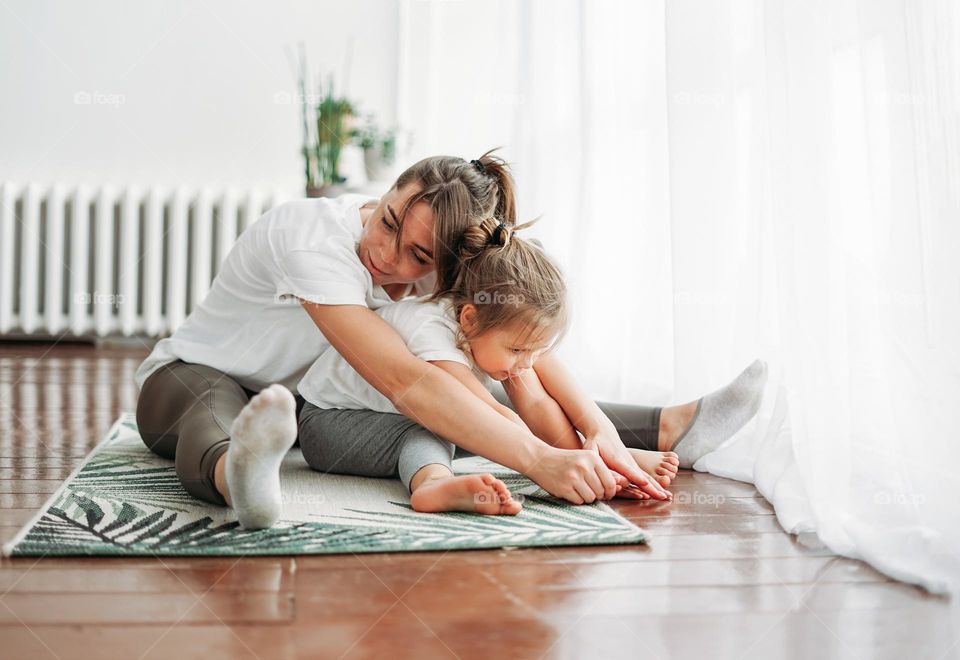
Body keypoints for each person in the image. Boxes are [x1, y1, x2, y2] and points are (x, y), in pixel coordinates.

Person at [294, 216, 683, 517]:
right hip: (329, 423)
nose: (526, 362)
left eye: (535, 351)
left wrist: (594, 462)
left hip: (382, 414)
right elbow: (489, 414)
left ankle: (617, 456)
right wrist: (551, 465)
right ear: (468, 319)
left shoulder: (495, 328)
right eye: (518, 350)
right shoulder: (432, 330)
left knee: (503, 413)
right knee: (433, 427)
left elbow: (538, 406)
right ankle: (431, 484)